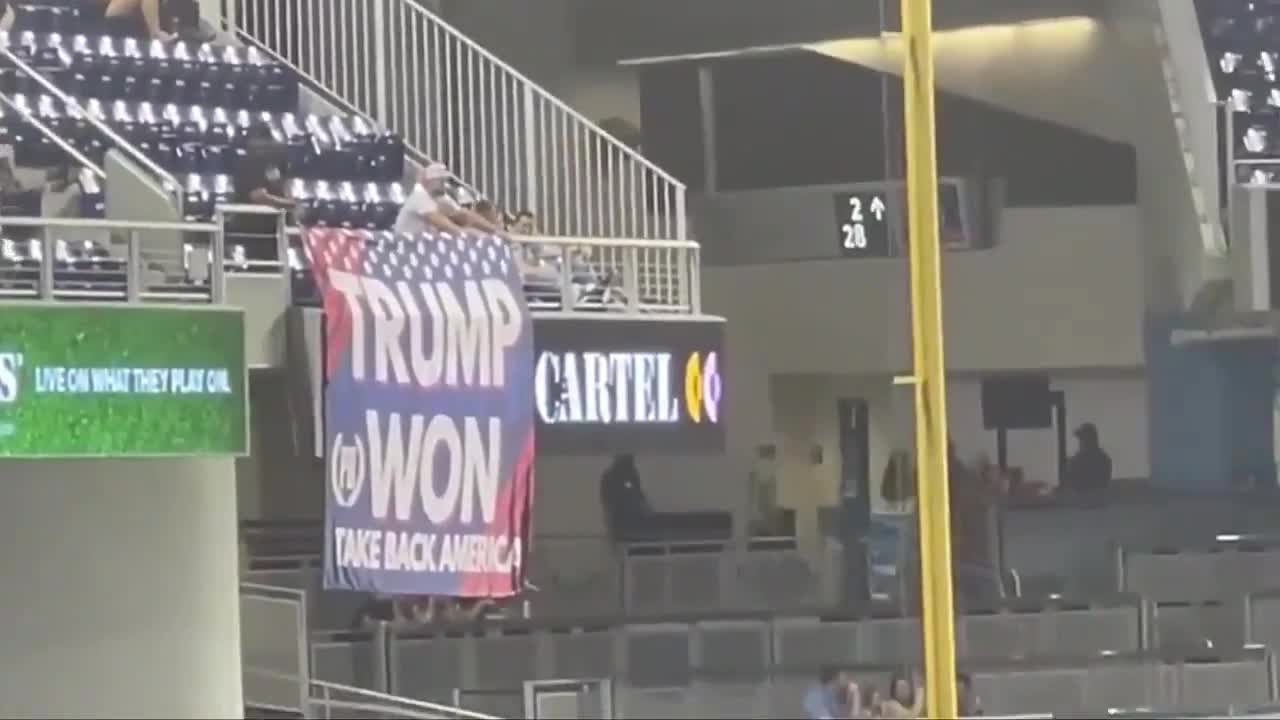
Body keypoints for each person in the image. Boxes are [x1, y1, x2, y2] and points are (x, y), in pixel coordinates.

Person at [392, 163, 502, 237]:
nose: (443, 185)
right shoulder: (419, 196)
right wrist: (479, 235)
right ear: (429, 181)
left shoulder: (439, 198)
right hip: (407, 247)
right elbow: (450, 228)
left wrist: (496, 231)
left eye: (444, 181)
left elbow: (464, 214)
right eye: (440, 181)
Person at [1061, 421, 1112, 498]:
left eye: (1082, 438)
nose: (1080, 442)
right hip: (1099, 502)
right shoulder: (1105, 458)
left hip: (1084, 501)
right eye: (1080, 439)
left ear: (1090, 439)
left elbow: (1071, 483)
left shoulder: (1076, 461)